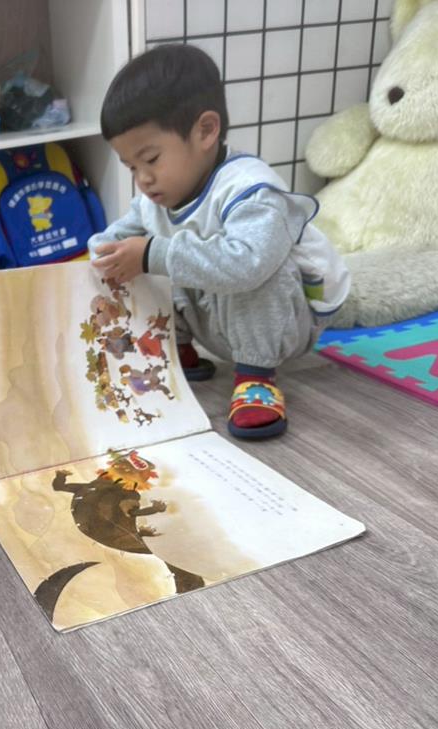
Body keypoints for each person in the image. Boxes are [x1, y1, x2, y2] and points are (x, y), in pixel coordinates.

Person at [90, 44, 350, 439]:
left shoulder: (251, 190)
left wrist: (151, 254)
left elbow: (249, 264)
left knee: (233, 264)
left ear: (206, 131)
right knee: (142, 257)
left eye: (152, 159)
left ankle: (256, 378)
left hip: (287, 322)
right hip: (216, 319)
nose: (142, 179)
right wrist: (102, 256)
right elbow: (119, 235)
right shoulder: (156, 198)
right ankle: (178, 348)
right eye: (131, 167)